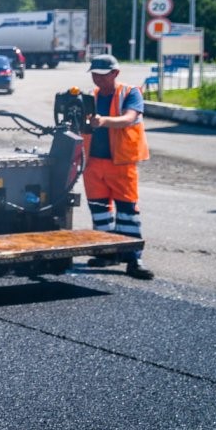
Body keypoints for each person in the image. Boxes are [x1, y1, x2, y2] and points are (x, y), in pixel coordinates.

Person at [82, 54, 153, 279]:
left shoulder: (130, 93)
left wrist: (103, 121)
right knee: (99, 212)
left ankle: (134, 260)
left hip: (121, 164)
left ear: (115, 73)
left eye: (102, 75)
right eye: (94, 75)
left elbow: (129, 118)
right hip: (93, 164)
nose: (97, 79)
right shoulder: (90, 97)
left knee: (127, 213)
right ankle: (106, 253)